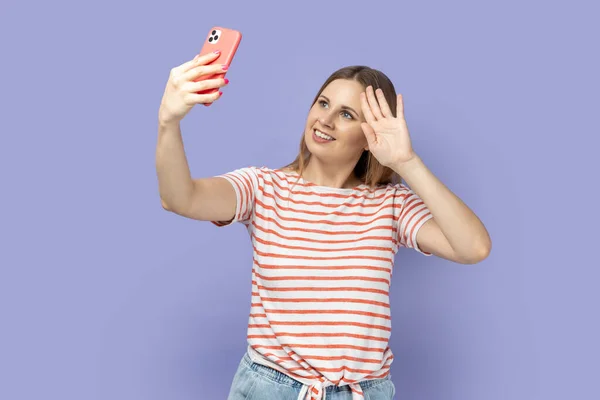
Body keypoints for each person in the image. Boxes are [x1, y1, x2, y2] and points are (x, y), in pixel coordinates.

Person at [156, 51, 492, 400]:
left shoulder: (390, 205)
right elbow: (181, 198)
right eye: (322, 103)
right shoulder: (263, 188)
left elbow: (474, 247)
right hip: (271, 389)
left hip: (362, 392)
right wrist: (168, 122)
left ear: (371, 135)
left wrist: (407, 163)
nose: (325, 120)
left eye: (346, 114)